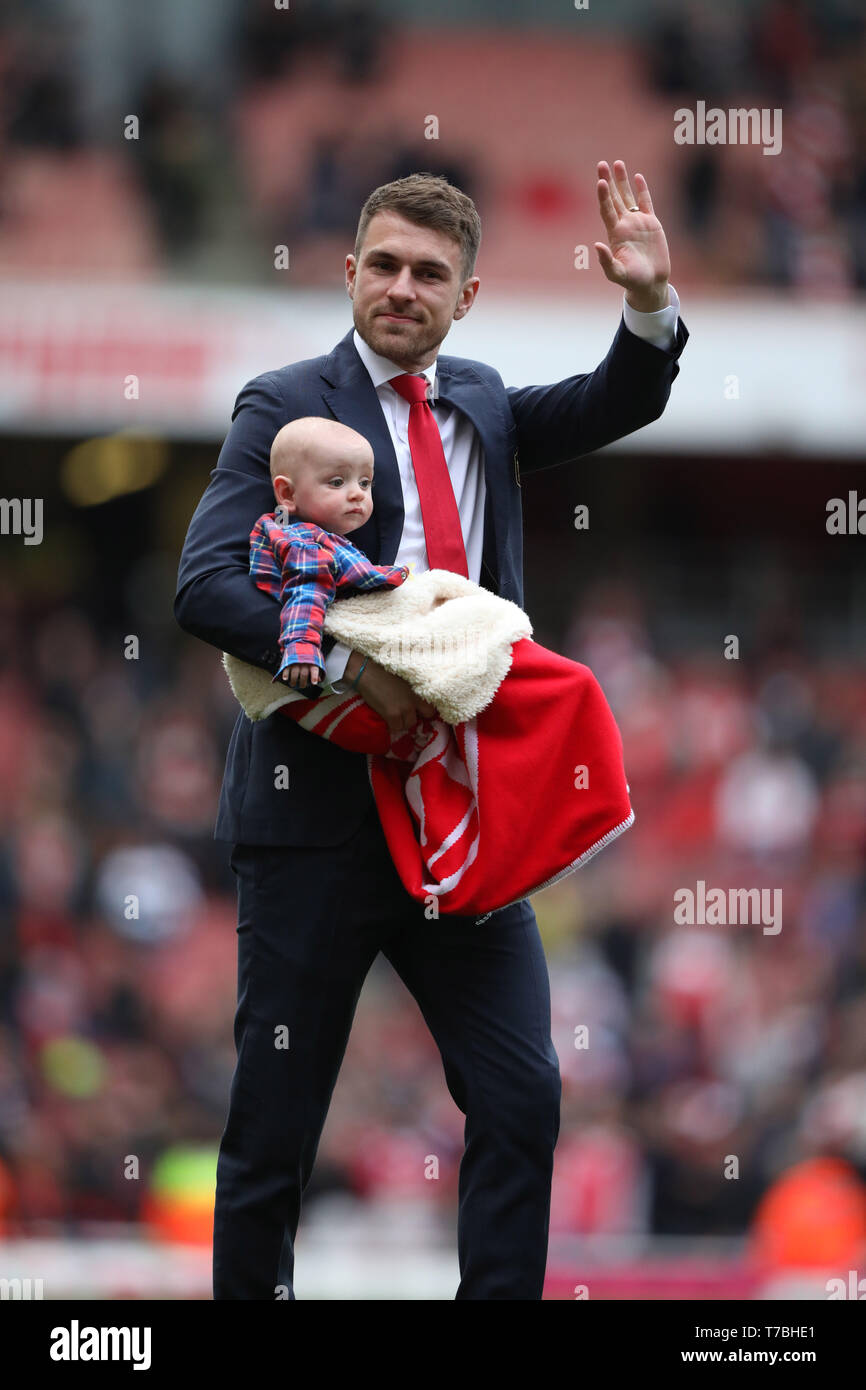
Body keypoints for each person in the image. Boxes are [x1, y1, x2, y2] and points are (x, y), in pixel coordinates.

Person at [174, 162, 690, 1300]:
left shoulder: (485, 398)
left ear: (466, 298)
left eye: (431, 274)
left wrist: (646, 303)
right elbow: (205, 585)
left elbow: (616, 401)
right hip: (318, 810)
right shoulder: (284, 404)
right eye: (386, 266)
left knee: (520, 1097)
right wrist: (354, 671)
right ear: (349, 271)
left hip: (462, 814)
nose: (403, 288)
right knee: (276, 1123)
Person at [254, 416, 413, 692]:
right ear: (287, 493)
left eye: (365, 483)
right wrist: (302, 649)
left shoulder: (310, 537)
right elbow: (305, 592)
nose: (357, 494)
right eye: (338, 482)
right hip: (319, 662)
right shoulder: (305, 546)